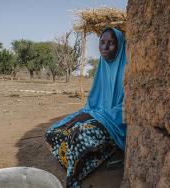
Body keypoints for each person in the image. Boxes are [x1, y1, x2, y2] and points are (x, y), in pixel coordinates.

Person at [45, 27, 126, 188]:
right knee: (53, 132)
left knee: (78, 135)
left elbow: (126, 108)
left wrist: (92, 117)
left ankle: (73, 179)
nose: (105, 47)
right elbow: (93, 103)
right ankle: (86, 160)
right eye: (102, 42)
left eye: (111, 43)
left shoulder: (127, 69)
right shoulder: (102, 67)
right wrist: (85, 114)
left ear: (120, 46)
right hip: (96, 115)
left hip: (115, 124)